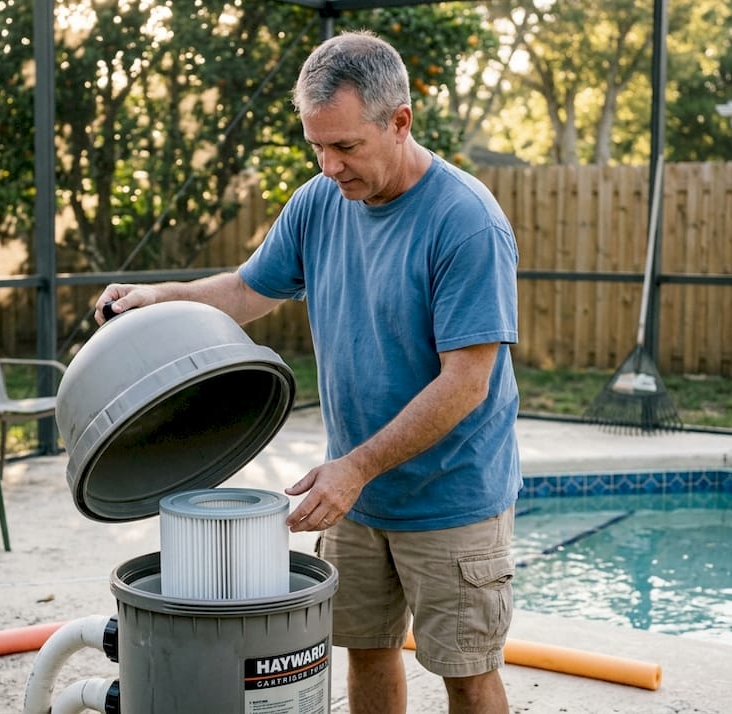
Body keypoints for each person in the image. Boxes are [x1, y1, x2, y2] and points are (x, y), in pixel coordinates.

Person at [96, 30, 520, 714]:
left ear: (400, 121)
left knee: (466, 672)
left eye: (346, 146)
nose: (329, 165)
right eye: (316, 146)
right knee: (366, 650)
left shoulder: (466, 223)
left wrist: (355, 467)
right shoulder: (320, 202)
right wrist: (159, 296)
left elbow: (467, 382)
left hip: (452, 498)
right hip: (356, 493)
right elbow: (245, 292)